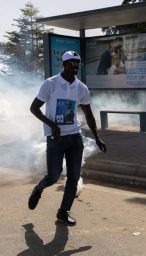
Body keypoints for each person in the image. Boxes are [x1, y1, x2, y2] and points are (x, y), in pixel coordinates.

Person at [29, 51, 106, 226]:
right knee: (53, 176)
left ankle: (63, 212)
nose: (75, 66)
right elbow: (34, 108)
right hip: (55, 138)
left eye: (77, 63)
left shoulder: (81, 88)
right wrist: (52, 125)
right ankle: (38, 189)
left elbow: (88, 114)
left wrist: (97, 138)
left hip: (74, 136)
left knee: (74, 177)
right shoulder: (50, 84)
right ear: (63, 64)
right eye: (71, 63)